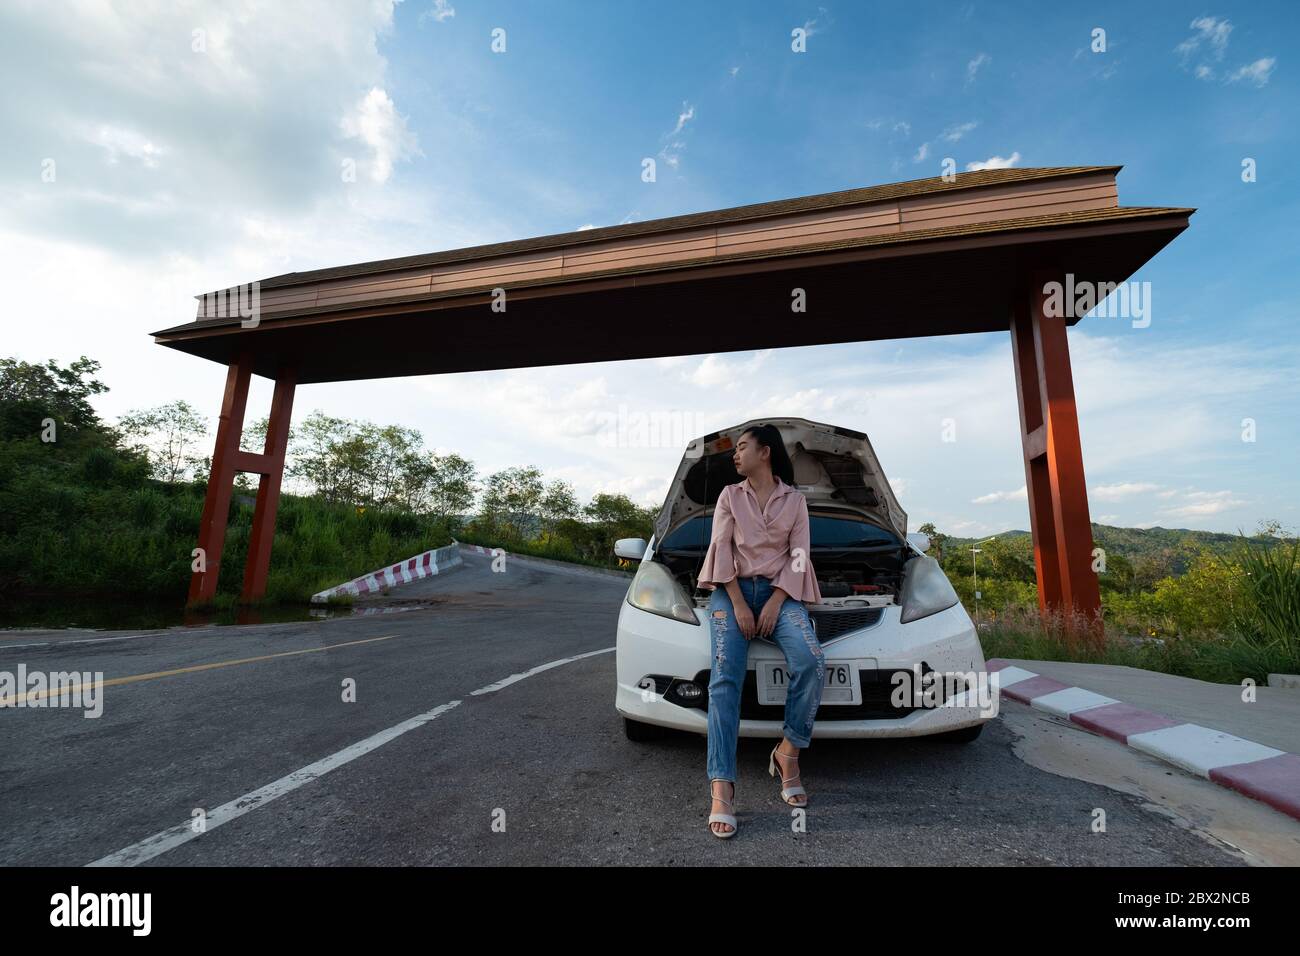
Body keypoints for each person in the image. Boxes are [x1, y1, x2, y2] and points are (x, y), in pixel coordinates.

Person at [696, 423, 825, 838]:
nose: (735, 455)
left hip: (779, 594)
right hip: (730, 591)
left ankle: (788, 752)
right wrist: (737, 603)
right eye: (735, 449)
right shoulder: (729, 495)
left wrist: (773, 602)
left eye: (742, 447)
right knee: (724, 680)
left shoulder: (795, 501)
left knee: (811, 660)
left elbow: (800, 556)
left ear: (765, 452)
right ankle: (722, 787)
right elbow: (721, 549)